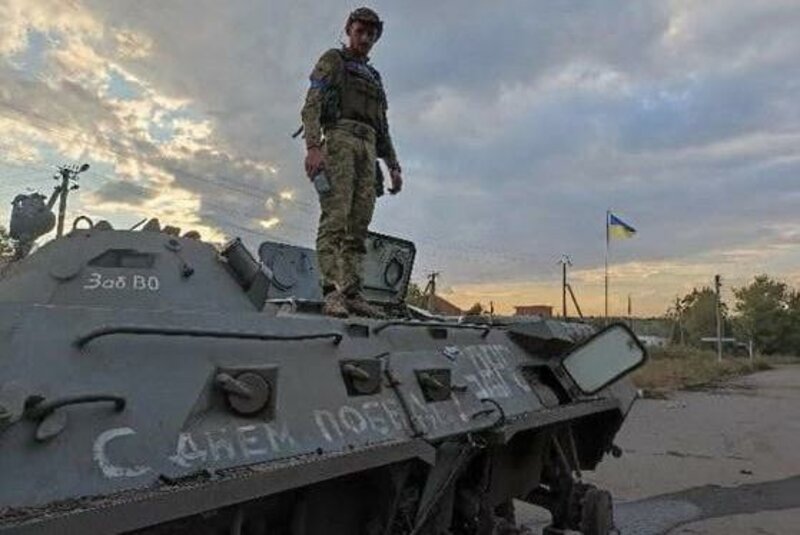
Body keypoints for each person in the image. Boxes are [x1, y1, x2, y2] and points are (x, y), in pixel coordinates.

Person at [301, 7, 402, 318]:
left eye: (371, 34)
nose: (365, 39)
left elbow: (382, 126)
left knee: (359, 224)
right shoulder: (333, 60)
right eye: (360, 32)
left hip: (368, 147)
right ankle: (331, 291)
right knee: (336, 218)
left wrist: (393, 165)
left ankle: (352, 292)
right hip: (340, 140)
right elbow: (312, 105)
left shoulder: (374, 77)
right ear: (349, 30)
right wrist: (313, 147)